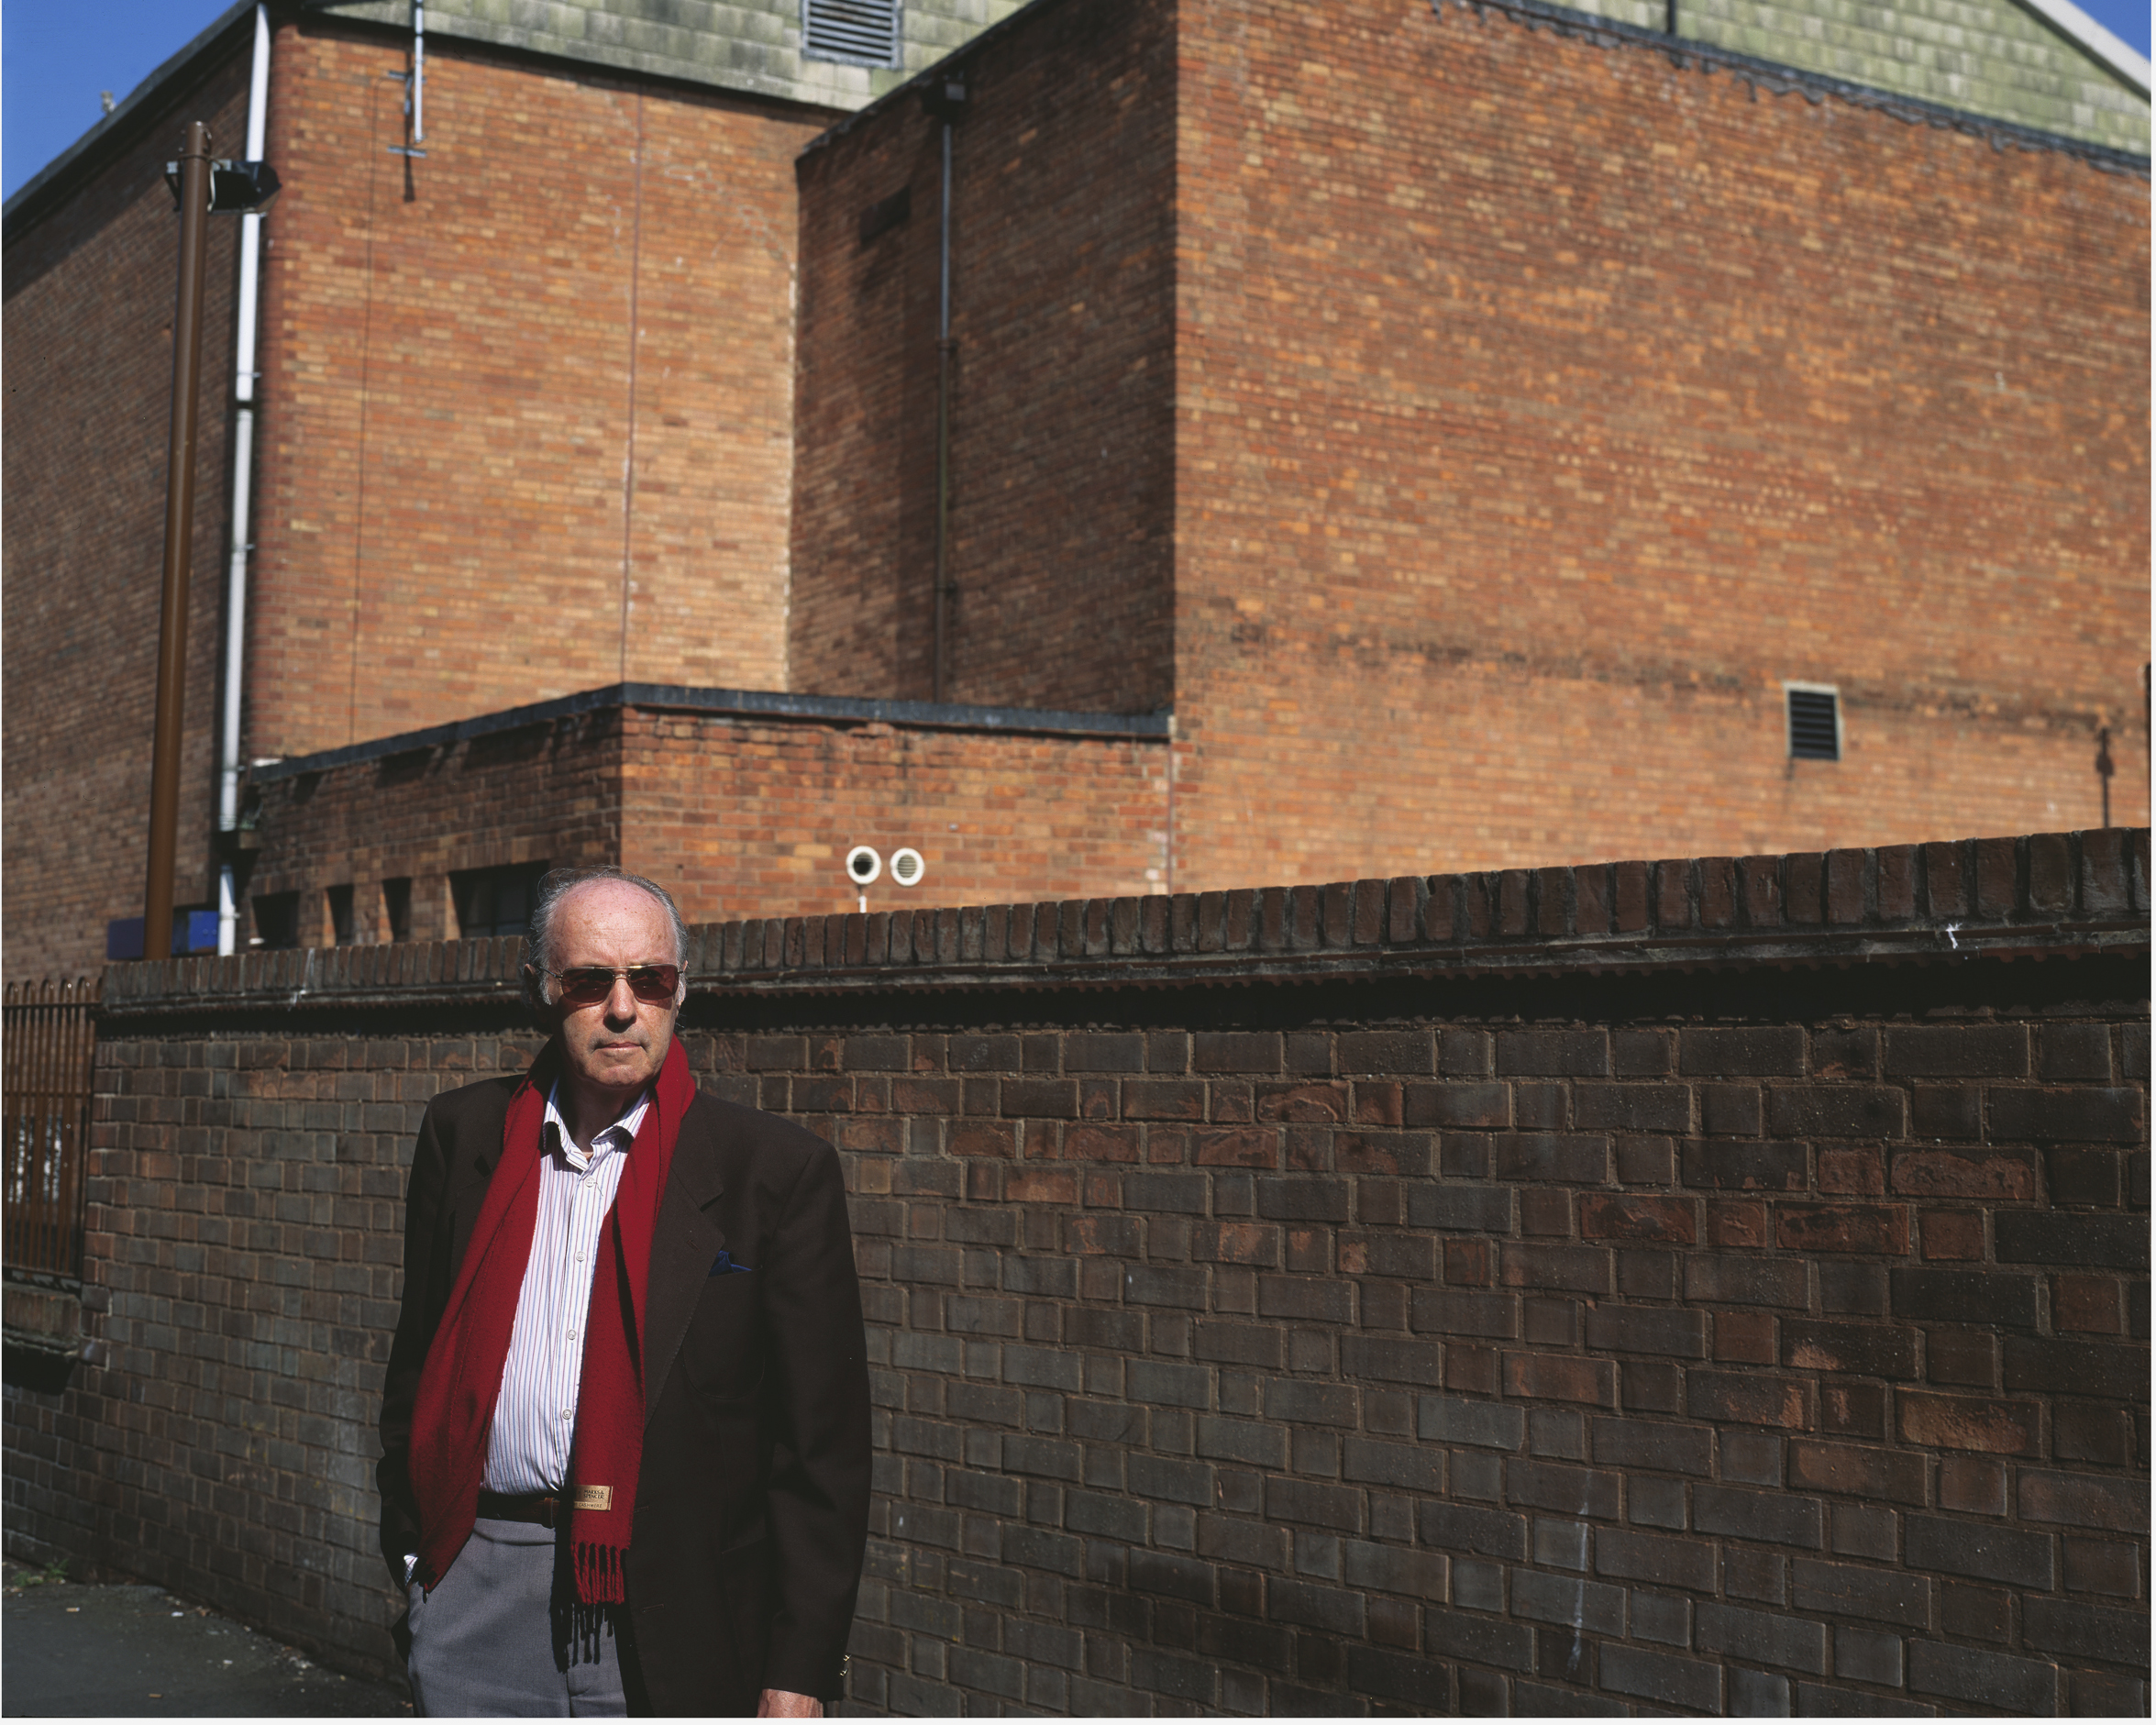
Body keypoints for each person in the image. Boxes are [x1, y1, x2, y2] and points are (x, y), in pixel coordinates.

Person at [377, 866, 870, 1716]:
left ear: (680, 993)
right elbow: (415, 1362)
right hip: (478, 1575)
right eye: (587, 980)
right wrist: (420, 1564)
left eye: (649, 980)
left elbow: (820, 1448)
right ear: (537, 988)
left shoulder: (772, 1173)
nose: (621, 1006)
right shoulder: (463, 1136)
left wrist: (799, 1665)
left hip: (674, 1599)